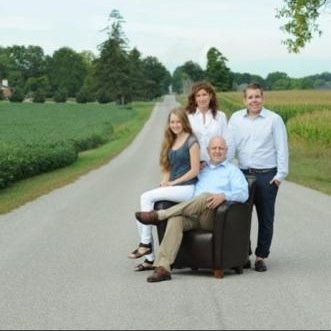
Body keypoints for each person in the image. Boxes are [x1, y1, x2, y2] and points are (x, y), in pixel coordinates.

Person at [135, 136, 249, 282]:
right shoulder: (201, 169)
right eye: (214, 148)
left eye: (221, 148)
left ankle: (160, 215)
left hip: (214, 217)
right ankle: (163, 268)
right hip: (192, 214)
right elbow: (181, 176)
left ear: (226, 151)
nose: (217, 151)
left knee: (205, 196)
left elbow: (243, 194)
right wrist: (167, 183)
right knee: (176, 219)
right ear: (208, 150)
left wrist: (224, 195)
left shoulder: (233, 171)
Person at [225, 82, 289, 272]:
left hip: (266, 176)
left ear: (263, 98)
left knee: (266, 217)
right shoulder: (236, 119)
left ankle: (261, 257)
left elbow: (282, 148)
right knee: (240, 217)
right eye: (250, 97)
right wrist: (226, 172)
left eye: (257, 96)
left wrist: (280, 176)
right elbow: (230, 147)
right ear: (244, 99)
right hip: (242, 175)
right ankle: (244, 253)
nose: (254, 100)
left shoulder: (274, 119)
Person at [128, 107, 200, 271]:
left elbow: (194, 170)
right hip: (174, 186)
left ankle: (145, 244)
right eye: (172, 122)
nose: (175, 125)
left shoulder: (192, 141)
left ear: (184, 122)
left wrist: (174, 183)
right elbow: (168, 167)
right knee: (144, 211)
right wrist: (164, 182)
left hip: (187, 188)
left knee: (145, 197)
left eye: (178, 121)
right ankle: (149, 258)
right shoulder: (170, 140)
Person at [186, 81, 227, 164]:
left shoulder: (221, 116)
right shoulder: (188, 117)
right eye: (198, 96)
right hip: (194, 164)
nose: (202, 99)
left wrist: (223, 163)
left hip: (215, 164)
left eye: (204, 94)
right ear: (194, 98)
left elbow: (226, 141)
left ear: (210, 96)